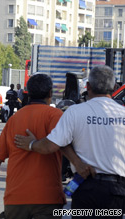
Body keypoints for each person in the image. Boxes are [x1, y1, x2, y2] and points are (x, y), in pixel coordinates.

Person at [15, 65, 125, 218]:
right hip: (117, 190)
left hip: (86, 188)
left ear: (88, 87)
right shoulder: (122, 113)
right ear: (114, 87)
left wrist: (32, 144)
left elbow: (50, 145)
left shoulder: (75, 112)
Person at [0, 74, 67, 219]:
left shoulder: (14, 119)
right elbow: (67, 148)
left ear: (27, 93)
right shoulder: (56, 116)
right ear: (50, 93)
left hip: (15, 199)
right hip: (47, 198)